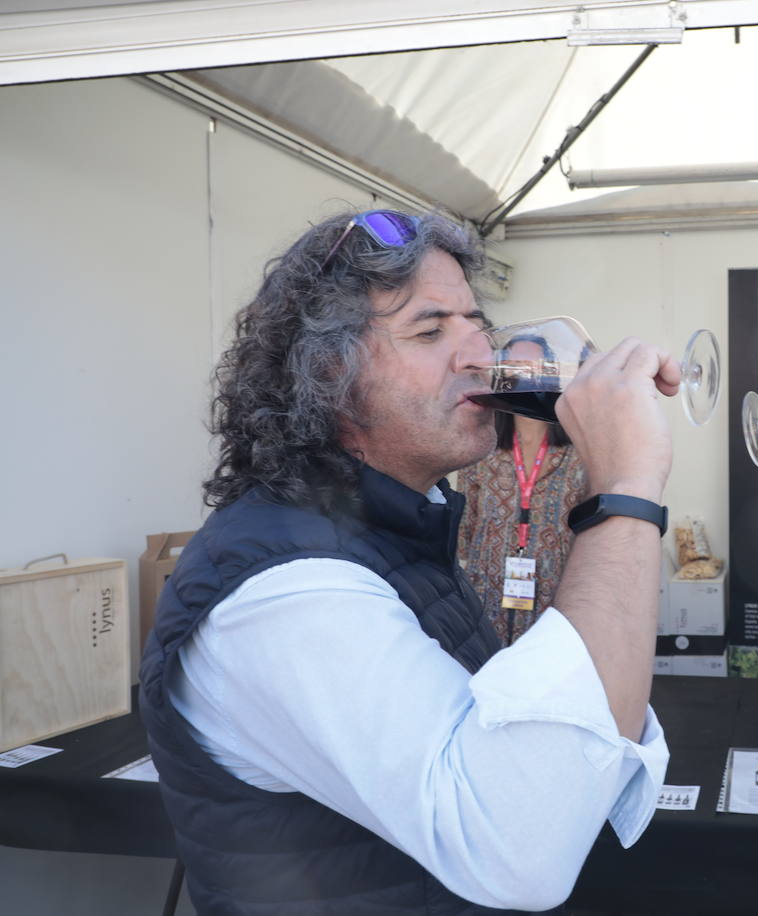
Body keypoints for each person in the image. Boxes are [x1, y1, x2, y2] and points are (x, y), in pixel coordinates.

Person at [138, 208, 678, 914]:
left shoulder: (392, 532)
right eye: (429, 331)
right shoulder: (285, 590)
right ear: (329, 372)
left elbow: (563, 764)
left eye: (473, 322)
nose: (479, 354)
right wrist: (627, 490)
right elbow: (520, 849)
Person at [456, 323, 589, 645]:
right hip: (486, 595)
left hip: (557, 599)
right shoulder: (480, 450)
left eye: (533, 366)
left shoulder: (579, 454)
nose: (524, 375)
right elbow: (465, 530)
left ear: (550, 374)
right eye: (514, 366)